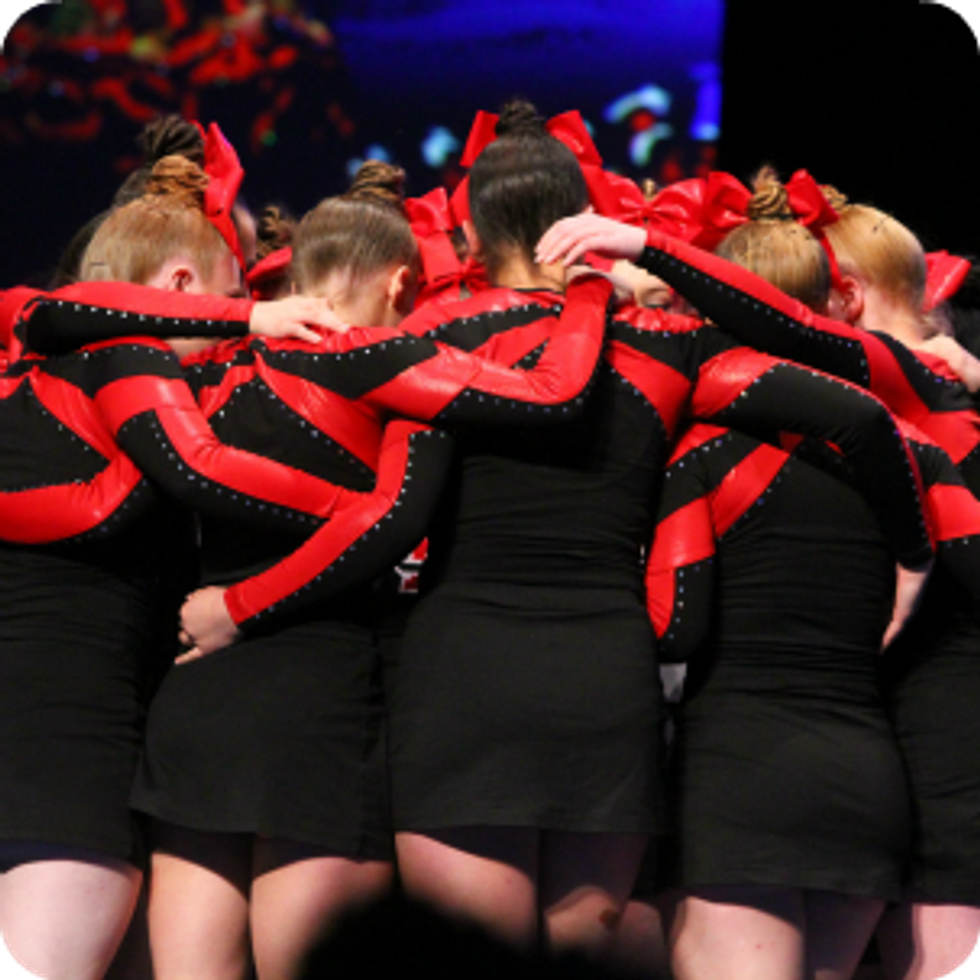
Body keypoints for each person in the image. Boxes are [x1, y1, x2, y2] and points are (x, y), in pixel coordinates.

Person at [22, 156, 612, 980]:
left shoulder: (195, 370)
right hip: (318, 705)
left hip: (194, 709)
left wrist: (241, 318)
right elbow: (539, 405)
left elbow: (50, 317)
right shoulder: (382, 361)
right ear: (402, 282)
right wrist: (593, 287)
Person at [383, 102, 931, 968]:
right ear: (585, 218)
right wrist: (913, 554)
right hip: (604, 686)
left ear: (471, 231)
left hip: (462, 678)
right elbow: (858, 412)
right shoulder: (668, 345)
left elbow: (390, 517)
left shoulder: (431, 335)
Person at [537, 184, 980, 979]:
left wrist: (642, 248)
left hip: (845, 762)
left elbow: (677, 619)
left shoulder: (894, 391)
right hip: (875, 765)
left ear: (847, 299)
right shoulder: (912, 424)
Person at [0, 154, 355, 980]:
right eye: (231, 300)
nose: (241, 324)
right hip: (63, 745)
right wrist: (361, 510)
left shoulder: (24, 364)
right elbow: (199, 469)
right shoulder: (128, 358)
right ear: (184, 286)